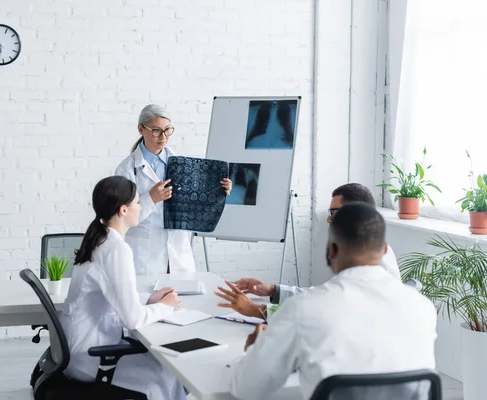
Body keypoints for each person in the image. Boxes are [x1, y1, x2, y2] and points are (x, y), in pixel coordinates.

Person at [228, 203, 437, 400]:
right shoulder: (422, 307)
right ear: (384, 249)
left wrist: (254, 351)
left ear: (331, 250)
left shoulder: (305, 309)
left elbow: (246, 389)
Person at [59, 176, 186, 400]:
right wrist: (166, 306)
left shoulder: (101, 239)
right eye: (137, 203)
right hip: (91, 356)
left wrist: (149, 298)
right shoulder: (116, 249)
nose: (140, 207)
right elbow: (133, 320)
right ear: (123, 210)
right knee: (168, 374)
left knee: (166, 370)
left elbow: (110, 293)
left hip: (78, 350)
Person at [217, 183, 400, 317]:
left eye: (333, 213)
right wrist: (272, 290)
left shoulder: (365, 267)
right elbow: (322, 296)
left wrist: (258, 311)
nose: (329, 220)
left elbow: (316, 312)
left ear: (356, 213)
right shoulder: (368, 253)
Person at [115, 104, 232, 275]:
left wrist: (219, 191)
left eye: (167, 130)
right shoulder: (126, 169)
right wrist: (151, 198)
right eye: (156, 130)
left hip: (178, 253)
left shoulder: (182, 164)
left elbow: (195, 204)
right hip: (145, 257)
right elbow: (122, 219)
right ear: (141, 129)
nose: (163, 137)